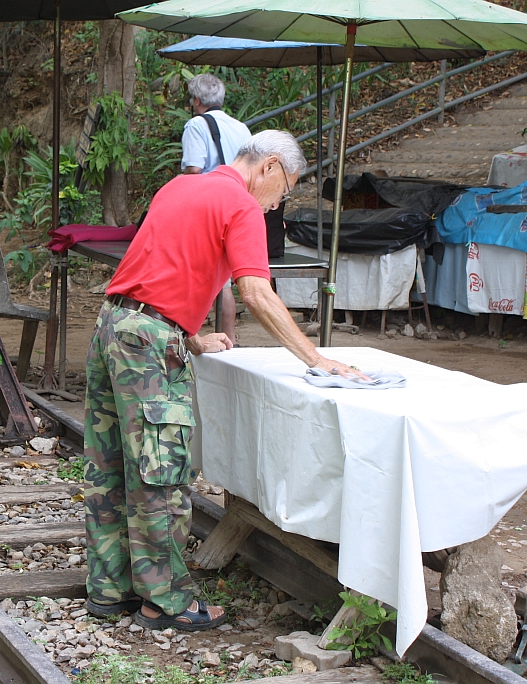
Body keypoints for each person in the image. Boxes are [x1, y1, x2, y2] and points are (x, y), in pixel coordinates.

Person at [83, 130, 364, 631]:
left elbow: (156, 269)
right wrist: (316, 358)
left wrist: (190, 336)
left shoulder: (180, 186)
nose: (278, 203)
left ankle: (110, 588)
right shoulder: (241, 205)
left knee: (111, 464)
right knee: (159, 470)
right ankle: (165, 601)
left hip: (113, 325)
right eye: (284, 190)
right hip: (149, 343)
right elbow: (255, 290)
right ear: (270, 166)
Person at [181, 73, 253, 345]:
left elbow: (194, 170)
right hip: (237, 206)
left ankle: (189, 338)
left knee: (199, 278)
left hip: (208, 209)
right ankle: (230, 338)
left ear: (197, 101)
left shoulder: (196, 125)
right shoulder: (241, 127)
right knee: (224, 280)